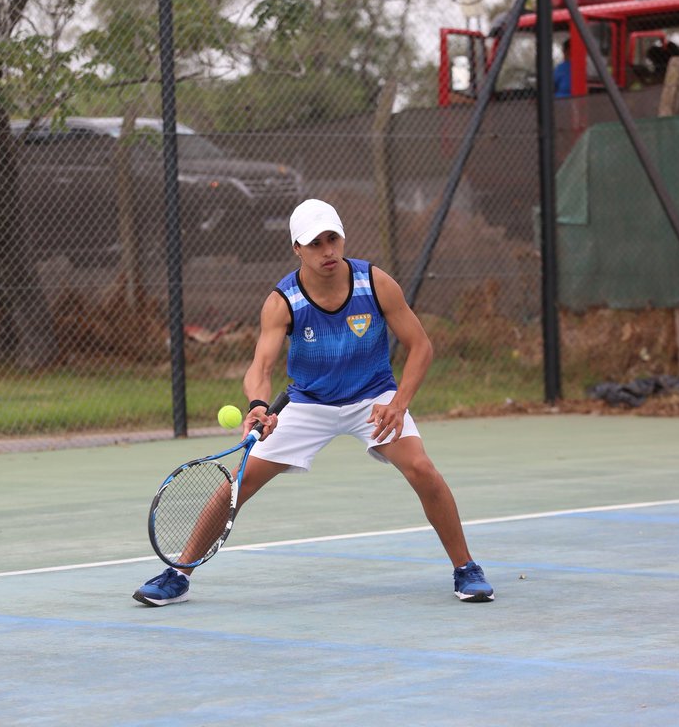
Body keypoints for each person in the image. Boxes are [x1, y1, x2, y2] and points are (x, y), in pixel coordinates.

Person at [133, 199, 495, 606]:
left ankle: (466, 568)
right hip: (308, 403)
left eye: (332, 239)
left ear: (342, 238)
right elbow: (261, 366)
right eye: (315, 243)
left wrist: (399, 403)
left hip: (373, 398)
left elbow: (421, 346)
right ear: (297, 249)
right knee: (238, 484)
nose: (327, 251)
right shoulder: (283, 300)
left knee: (422, 469)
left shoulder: (375, 283)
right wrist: (258, 404)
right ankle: (179, 574)